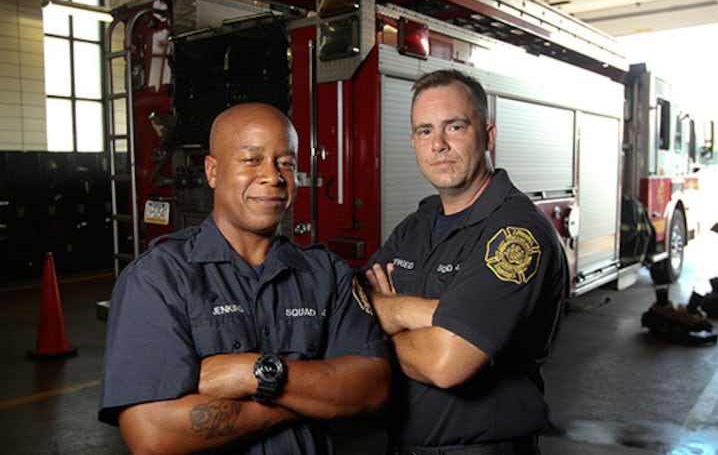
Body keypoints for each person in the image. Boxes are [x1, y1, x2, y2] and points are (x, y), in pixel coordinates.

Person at [99, 103, 391, 454]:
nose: (273, 176)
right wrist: (306, 396)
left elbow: (373, 387)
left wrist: (251, 372)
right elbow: (153, 434)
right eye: (252, 160)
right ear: (212, 171)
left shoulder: (326, 274)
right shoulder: (157, 279)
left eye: (286, 162)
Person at [362, 69, 567, 455]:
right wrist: (436, 315)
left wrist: (392, 309)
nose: (437, 144)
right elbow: (355, 310)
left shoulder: (516, 234)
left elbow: (446, 363)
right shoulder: (416, 227)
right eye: (425, 131)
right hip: (404, 444)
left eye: (454, 127)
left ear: (488, 136)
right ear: (413, 142)